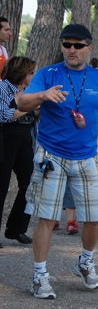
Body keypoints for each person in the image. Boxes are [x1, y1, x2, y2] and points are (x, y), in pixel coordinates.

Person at [20, 23, 98, 299]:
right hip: (51, 155)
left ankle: (85, 261)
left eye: (77, 45)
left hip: (87, 157)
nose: (71, 50)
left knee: (95, 218)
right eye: (66, 44)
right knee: (47, 218)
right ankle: (40, 275)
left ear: (89, 48)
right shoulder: (48, 74)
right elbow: (21, 102)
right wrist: (42, 95)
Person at [0, 56, 36, 247]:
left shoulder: (30, 91)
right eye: (31, 72)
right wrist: (30, 106)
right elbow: (3, 115)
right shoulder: (3, 88)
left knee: (30, 183)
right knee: (1, 186)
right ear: (21, 72)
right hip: (5, 138)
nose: (33, 75)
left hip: (24, 137)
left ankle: (16, 229)